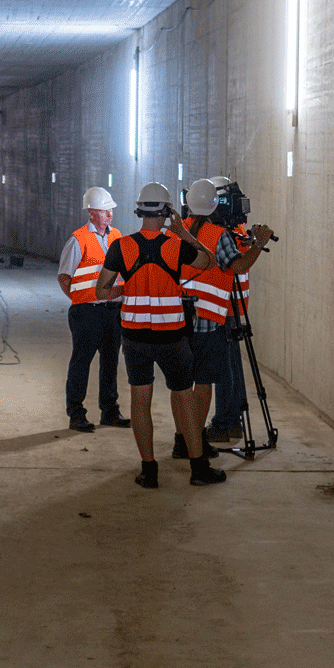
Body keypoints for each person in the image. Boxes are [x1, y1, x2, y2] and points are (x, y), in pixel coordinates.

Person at [94, 182, 225, 488]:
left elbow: (101, 290)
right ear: (168, 212)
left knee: (140, 400)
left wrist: (127, 288)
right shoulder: (175, 246)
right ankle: (198, 469)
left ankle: (149, 471)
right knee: (184, 398)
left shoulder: (121, 246)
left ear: (139, 209)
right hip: (172, 338)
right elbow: (209, 261)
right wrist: (184, 232)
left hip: (135, 338)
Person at [180, 177, 274, 450]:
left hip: (217, 308)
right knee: (222, 368)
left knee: (219, 369)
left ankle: (223, 422)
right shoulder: (221, 232)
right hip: (219, 306)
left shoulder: (222, 232)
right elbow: (238, 265)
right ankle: (226, 421)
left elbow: (238, 266)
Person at [57, 186, 128, 433]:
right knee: (81, 363)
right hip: (86, 312)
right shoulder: (78, 240)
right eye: (105, 211)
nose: (110, 215)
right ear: (91, 213)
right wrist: (80, 300)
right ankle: (76, 414)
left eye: (110, 211)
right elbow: (64, 277)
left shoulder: (116, 236)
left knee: (110, 363)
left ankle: (110, 411)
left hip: (111, 312)